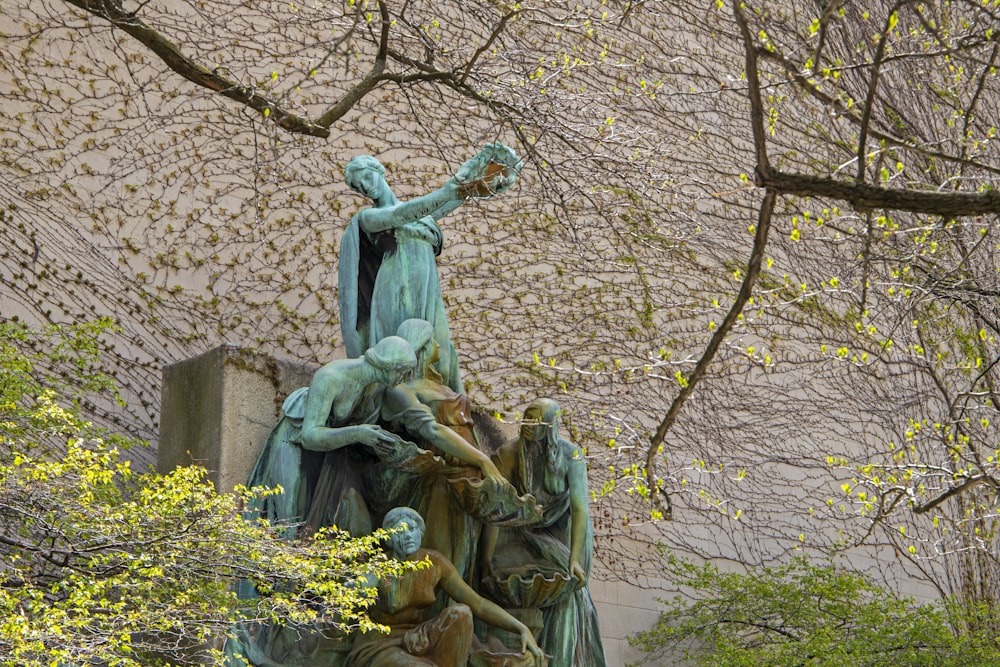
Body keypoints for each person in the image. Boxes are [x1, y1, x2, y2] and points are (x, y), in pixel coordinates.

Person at [338, 144, 521, 395]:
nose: (366, 187)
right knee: (403, 350)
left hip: (427, 288)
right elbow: (403, 214)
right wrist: (449, 190)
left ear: (379, 171)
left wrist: (476, 174)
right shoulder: (369, 217)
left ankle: (439, 403)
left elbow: (444, 202)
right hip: (396, 288)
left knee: (440, 351)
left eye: (367, 178)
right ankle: (401, 403)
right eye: (359, 186)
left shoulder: (420, 217)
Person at [244, 335, 417, 539]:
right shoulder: (331, 377)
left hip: (330, 451)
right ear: (388, 367)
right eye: (403, 372)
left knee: (323, 524)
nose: (405, 378)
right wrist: (358, 433)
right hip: (295, 443)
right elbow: (309, 435)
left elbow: (359, 431)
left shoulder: (375, 387)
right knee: (288, 519)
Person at [479, 399, 607, 667]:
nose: (528, 425)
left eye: (536, 421)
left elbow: (580, 509)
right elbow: (496, 510)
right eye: (526, 418)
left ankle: (564, 657)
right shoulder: (509, 454)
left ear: (551, 425)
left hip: (564, 530)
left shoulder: (571, 455)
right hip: (521, 527)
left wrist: (574, 558)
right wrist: (486, 557)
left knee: (567, 593)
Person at [348, 508, 545, 667]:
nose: (408, 535)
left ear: (421, 532)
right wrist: (358, 585)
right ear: (389, 539)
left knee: (462, 613)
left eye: (412, 528)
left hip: (419, 637)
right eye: (400, 531)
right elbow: (366, 582)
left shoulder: (434, 563)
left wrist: (521, 628)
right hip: (381, 643)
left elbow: (478, 604)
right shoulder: (380, 567)